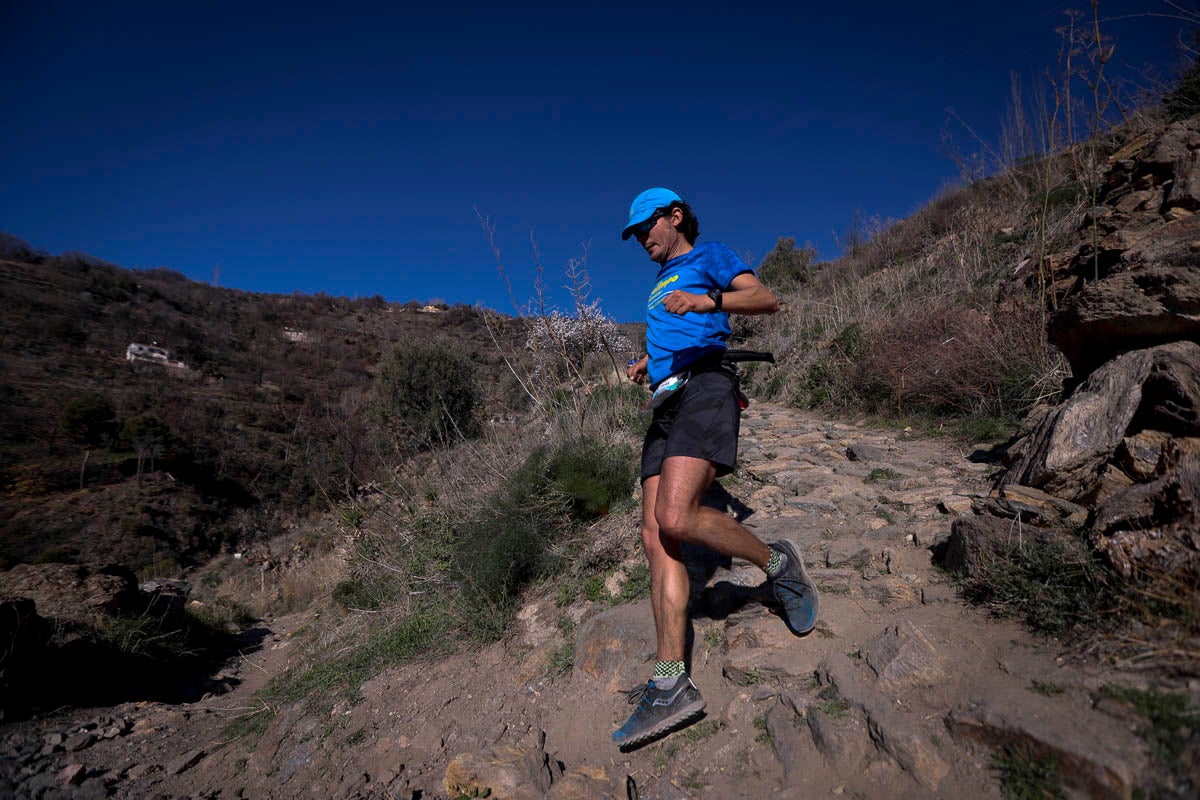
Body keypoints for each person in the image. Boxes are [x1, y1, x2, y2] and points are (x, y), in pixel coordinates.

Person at [612, 187, 820, 749]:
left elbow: (765, 298)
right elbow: (673, 337)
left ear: (674, 216)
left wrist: (711, 303)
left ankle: (777, 562)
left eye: (646, 228)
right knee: (657, 539)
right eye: (634, 235)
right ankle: (669, 683)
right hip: (666, 400)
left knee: (678, 516)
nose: (642, 241)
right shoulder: (657, 283)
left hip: (707, 387)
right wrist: (646, 363)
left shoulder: (710, 257)